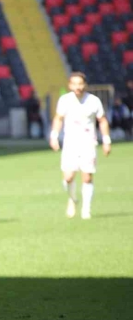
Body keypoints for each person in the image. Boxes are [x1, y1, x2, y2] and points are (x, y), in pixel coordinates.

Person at [49, 72, 112, 220]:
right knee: (68, 177)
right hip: (70, 143)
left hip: (88, 142)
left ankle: (86, 209)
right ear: (70, 85)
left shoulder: (93, 101)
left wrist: (107, 141)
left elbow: (102, 120)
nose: (78, 87)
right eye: (75, 84)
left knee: (87, 177)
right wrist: (54, 136)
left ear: (85, 85)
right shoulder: (65, 100)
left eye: (80, 83)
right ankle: (72, 199)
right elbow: (58, 118)